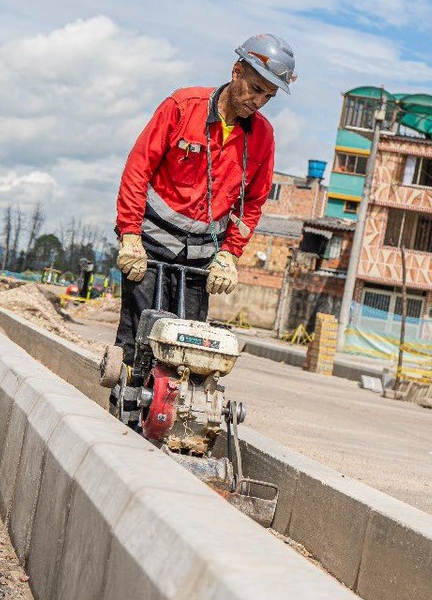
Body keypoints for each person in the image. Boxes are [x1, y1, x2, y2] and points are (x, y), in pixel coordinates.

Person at [112, 34, 296, 408]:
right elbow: (138, 169)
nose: (257, 102)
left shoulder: (262, 136)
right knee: (142, 335)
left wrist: (230, 254)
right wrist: (130, 234)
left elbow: (253, 203)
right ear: (236, 70)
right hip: (150, 245)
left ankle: (174, 420)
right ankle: (125, 409)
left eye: (267, 97)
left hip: (199, 256)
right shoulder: (183, 106)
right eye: (255, 89)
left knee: (191, 346)